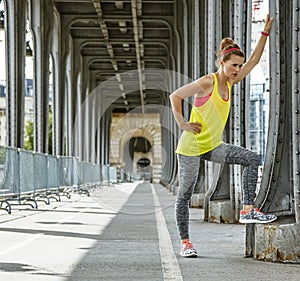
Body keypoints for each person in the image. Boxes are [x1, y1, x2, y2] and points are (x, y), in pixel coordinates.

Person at [169, 14, 276, 258]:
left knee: (251, 158)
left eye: (239, 66)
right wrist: (183, 123)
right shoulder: (208, 82)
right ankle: (185, 242)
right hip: (191, 147)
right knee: (185, 193)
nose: (238, 70)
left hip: (213, 146)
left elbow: (255, 60)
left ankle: (248, 209)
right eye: (233, 66)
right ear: (222, 62)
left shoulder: (230, 82)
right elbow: (175, 96)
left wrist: (265, 33)